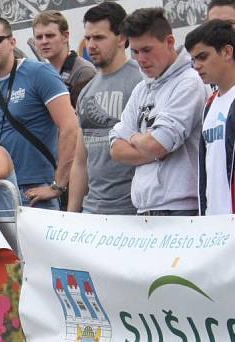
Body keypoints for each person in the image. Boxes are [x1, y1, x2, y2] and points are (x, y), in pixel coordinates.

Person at [0, 16, 79, 210]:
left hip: (34, 193)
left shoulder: (39, 73)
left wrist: (58, 185)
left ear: (12, 42)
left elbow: (70, 126)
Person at [110, 8, 206, 215]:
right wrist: (151, 146)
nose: (140, 59)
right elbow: (116, 150)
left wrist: (133, 136)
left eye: (146, 49)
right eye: (134, 51)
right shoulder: (141, 88)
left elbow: (158, 144)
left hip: (181, 209)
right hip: (144, 208)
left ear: (169, 42)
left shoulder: (189, 82)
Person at [68, 2, 143, 214]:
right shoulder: (86, 91)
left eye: (99, 37)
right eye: (88, 37)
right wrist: (72, 215)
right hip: (92, 210)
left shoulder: (141, 81)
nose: (91, 45)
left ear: (121, 37)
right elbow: (81, 161)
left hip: (132, 210)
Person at [186, 19, 235, 214]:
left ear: (227, 52)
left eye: (203, 57)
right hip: (215, 227)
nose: (196, 66)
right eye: (193, 60)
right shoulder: (209, 104)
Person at [32, 10, 97, 107]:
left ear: (65, 36)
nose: (44, 41)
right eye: (39, 37)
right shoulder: (42, 73)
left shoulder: (84, 71)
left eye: (50, 36)